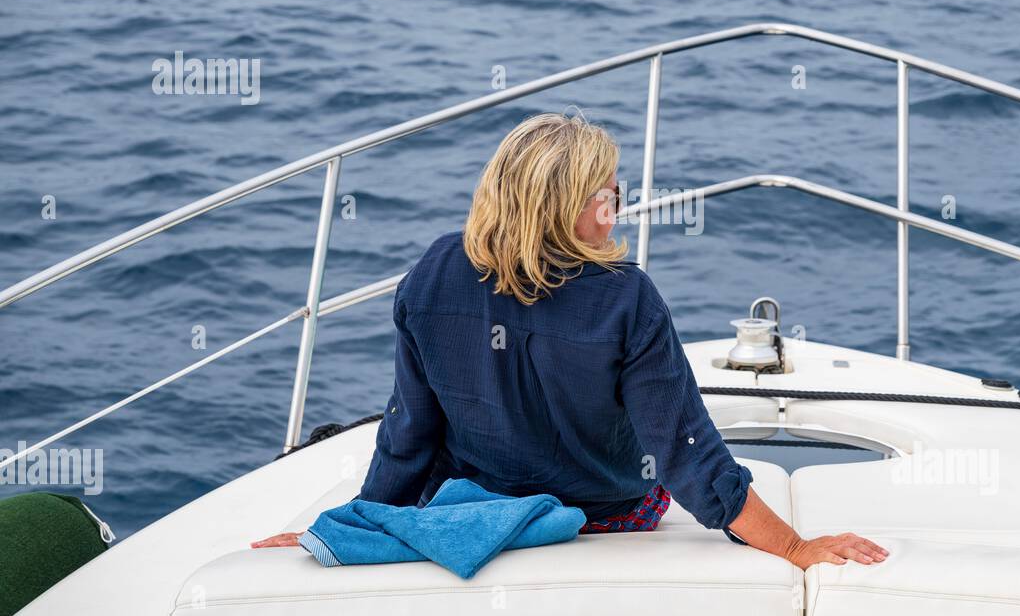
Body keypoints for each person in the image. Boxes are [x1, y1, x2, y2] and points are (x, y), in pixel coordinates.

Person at [254, 112, 888, 570]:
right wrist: (796, 549)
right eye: (606, 193)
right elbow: (685, 453)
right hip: (604, 511)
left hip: (465, 505)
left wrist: (362, 521)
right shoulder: (624, 297)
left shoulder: (435, 273)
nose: (618, 202)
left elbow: (408, 431)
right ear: (561, 208)